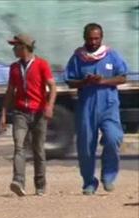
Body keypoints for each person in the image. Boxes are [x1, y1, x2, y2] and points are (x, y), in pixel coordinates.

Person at [64, 23, 128, 195]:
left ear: (101, 37)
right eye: (90, 38)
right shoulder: (78, 57)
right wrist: (84, 82)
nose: (93, 42)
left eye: (96, 38)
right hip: (86, 106)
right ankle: (89, 183)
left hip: (108, 104)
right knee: (85, 146)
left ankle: (108, 175)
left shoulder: (111, 55)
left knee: (114, 138)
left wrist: (103, 81)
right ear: (84, 38)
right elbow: (69, 81)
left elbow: (122, 77)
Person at [0, 34, 57, 196]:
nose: (13, 49)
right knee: (19, 146)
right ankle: (18, 181)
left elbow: (52, 87)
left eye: (16, 46)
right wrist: (3, 113)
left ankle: (40, 184)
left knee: (38, 149)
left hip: (38, 112)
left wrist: (49, 106)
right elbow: (10, 91)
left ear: (24, 47)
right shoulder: (14, 68)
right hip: (20, 113)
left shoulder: (41, 64)